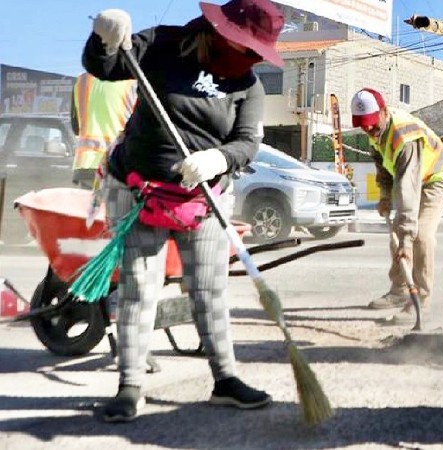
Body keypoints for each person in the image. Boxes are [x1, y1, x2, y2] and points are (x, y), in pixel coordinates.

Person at [83, 0, 284, 422]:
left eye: (255, 52)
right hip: (139, 188)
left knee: (210, 291)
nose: (247, 58)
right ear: (221, 32)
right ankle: (130, 386)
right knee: (139, 290)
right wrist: (104, 38)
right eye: (244, 46)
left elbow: (247, 143)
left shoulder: (248, 86)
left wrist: (218, 159)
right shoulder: (163, 45)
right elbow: (105, 66)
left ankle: (226, 379)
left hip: (203, 199)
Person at [351, 88, 443, 325]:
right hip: (415, 178)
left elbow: (407, 189)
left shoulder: (405, 137)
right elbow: (383, 168)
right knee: (400, 231)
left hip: (438, 177)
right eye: (362, 124)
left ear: (384, 111)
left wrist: (407, 239)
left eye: (370, 123)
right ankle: (400, 290)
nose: (367, 129)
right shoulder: (375, 131)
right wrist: (385, 197)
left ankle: (421, 300)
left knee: (420, 234)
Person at [70, 72, 137, 189]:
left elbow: (76, 127)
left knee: (91, 206)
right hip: (116, 164)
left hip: (86, 164)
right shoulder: (132, 81)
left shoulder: (81, 81)